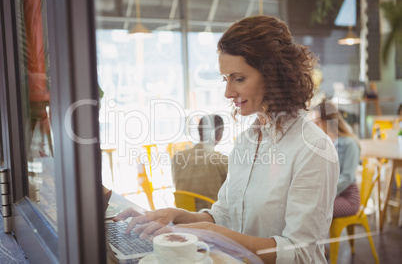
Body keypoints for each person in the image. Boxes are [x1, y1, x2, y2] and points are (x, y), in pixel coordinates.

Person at [114, 15, 339, 263]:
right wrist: (176, 215)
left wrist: (211, 233)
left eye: (238, 78)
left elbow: (299, 254)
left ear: (274, 75)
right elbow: (225, 216)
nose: (228, 92)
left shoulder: (313, 148)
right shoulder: (246, 140)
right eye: (225, 79)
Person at [313, 101, 361, 218]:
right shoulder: (324, 143)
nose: (314, 126)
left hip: (348, 197)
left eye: (317, 122)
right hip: (333, 194)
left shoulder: (349, 144)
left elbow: (347, 177)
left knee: (315, 212)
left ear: (327, 121)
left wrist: (324, 193)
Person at [172, 114, 228, 210]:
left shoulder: (178, 157)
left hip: (183, 216)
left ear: (199, 132)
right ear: (219, 136)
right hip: (211, 218)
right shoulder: (223, 160)